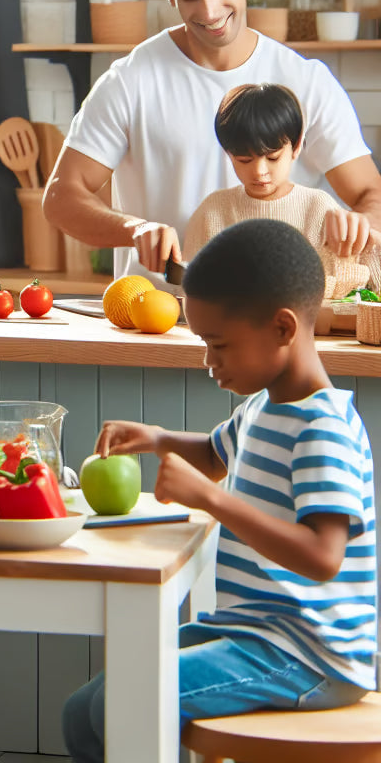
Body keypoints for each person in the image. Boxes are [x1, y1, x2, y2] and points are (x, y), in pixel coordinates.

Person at [61, 219, 377, 763]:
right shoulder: (265, 403)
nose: (209, 362)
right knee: (82, 710)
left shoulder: (323, 428)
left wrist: (211, 500)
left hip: (308, 654)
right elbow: (214, 454)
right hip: (253, 632)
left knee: (122, 701)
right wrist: (157, 439)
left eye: (219, 344)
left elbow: (324, 557)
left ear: (283, 329)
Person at [42, 0, 381, 287]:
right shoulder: (131, 80)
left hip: (281, 320)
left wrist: (360, 223)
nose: (210, 11)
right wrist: (134, 229)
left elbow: (371, 192)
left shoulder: (307, 81)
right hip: (160, 317)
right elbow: (61, 198)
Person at [182, 85, 369, 284]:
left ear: (296, 146)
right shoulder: (212, 212)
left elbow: (351, 286)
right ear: (229, 153)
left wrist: (363, 239)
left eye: (273, 158)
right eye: (244, 160)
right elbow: (188, 286)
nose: (259, 172)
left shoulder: (318, 208)